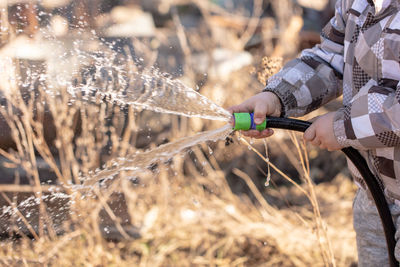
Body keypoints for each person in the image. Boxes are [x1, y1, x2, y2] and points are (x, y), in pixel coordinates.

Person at [228, 0, 400, 265]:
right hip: (374, 197)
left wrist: (343, 127)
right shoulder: (357, 4)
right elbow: (330, 60)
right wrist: (277, 97)